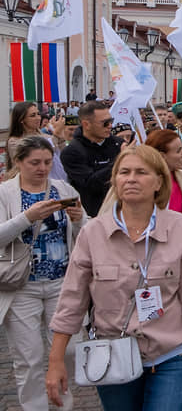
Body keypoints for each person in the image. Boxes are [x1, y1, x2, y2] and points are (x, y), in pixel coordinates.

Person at [46, 145, 182, 409]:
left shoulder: (179, 227)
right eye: (124, 172)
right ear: (114, 180)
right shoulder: (93, 233)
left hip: (173, 352)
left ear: (159, 182)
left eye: (141, 172)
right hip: (113, 352)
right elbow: (72, 300)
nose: (131, 178)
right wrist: (56, 360)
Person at [0, 137, 85, 411]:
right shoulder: (5, 193)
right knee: (29, 357)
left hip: (62, 282)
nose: (42, 168)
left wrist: (79, 218)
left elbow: (87, 232)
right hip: (21, 284)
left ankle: (63, 404)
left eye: (47, 162)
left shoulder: (62, 188)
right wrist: (27, 217)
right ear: (19, 162)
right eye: (34, 162)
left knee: (69, 351)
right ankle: (34, 406)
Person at [60, 102, 123, 217]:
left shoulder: (118, 144)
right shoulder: (72, 151)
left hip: (120, 212)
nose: (110, 126)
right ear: (86, 124)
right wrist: (120, 162)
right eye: (105, 123)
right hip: (92, 215)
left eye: (111, 121)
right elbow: (91, 185)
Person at [5, 101, 44, 179]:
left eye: (38, 114)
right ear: (22, 119)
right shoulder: (14, 142)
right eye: (33, 115)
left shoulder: (44, 136)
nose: (38, 118)